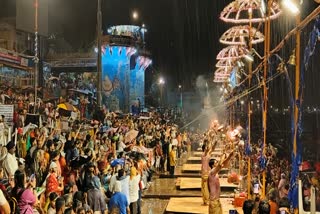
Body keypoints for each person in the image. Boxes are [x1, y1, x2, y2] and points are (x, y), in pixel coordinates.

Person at [201, 139, 217, 206]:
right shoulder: (203, 154)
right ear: (204, 149)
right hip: (204, 172)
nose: (208, 148)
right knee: (205, 187)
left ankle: (208, 199)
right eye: (206, 147)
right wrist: (206, 143)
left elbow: (212, 149)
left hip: (208, 171)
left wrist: (215, 143)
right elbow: (207, 149)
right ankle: (205, 200)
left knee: (208, 186)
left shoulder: (208, 153)